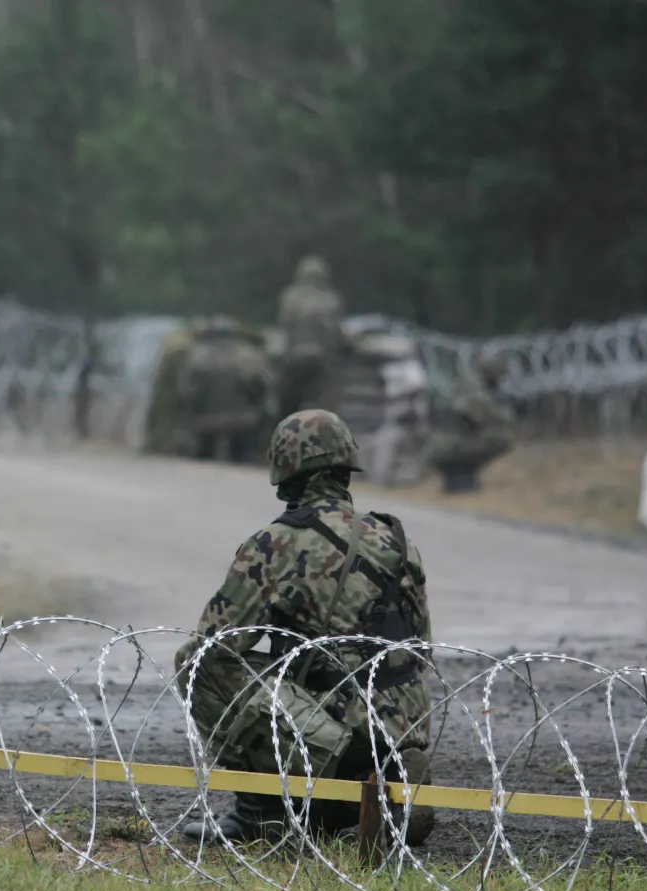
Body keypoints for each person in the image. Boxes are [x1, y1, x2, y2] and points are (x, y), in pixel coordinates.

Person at [174, 409, 436, 845]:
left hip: (337, 732)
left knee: (197, 664)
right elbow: (421, 645)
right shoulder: (398, 539)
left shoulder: (275, 543)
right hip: (404, 721)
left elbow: (215, 643)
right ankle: (384, 786)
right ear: (346, 469)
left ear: (286, 474)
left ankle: (263, 808)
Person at [174, 317, 276, 463]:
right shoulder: (250, 355)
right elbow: (267, 385)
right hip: (245, 421)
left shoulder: (197, 356)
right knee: (247, 458)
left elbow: (186, 393)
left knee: (201, 461)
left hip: (206, 421)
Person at [425, 349, 514, 492]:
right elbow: (482, 415)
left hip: (445, 444)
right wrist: (506, 413)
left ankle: (462, 475)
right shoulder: (474, 386)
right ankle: (460, 474)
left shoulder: (474, 382)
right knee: (499, 439)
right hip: (445, 447)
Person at [277, 256, 345, 414]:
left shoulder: (289, 297)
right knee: (325, 409)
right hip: (323, 361)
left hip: (295, 359)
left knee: (288, 408)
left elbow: (285, 326)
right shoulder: (332, 299)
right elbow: (336, 333)